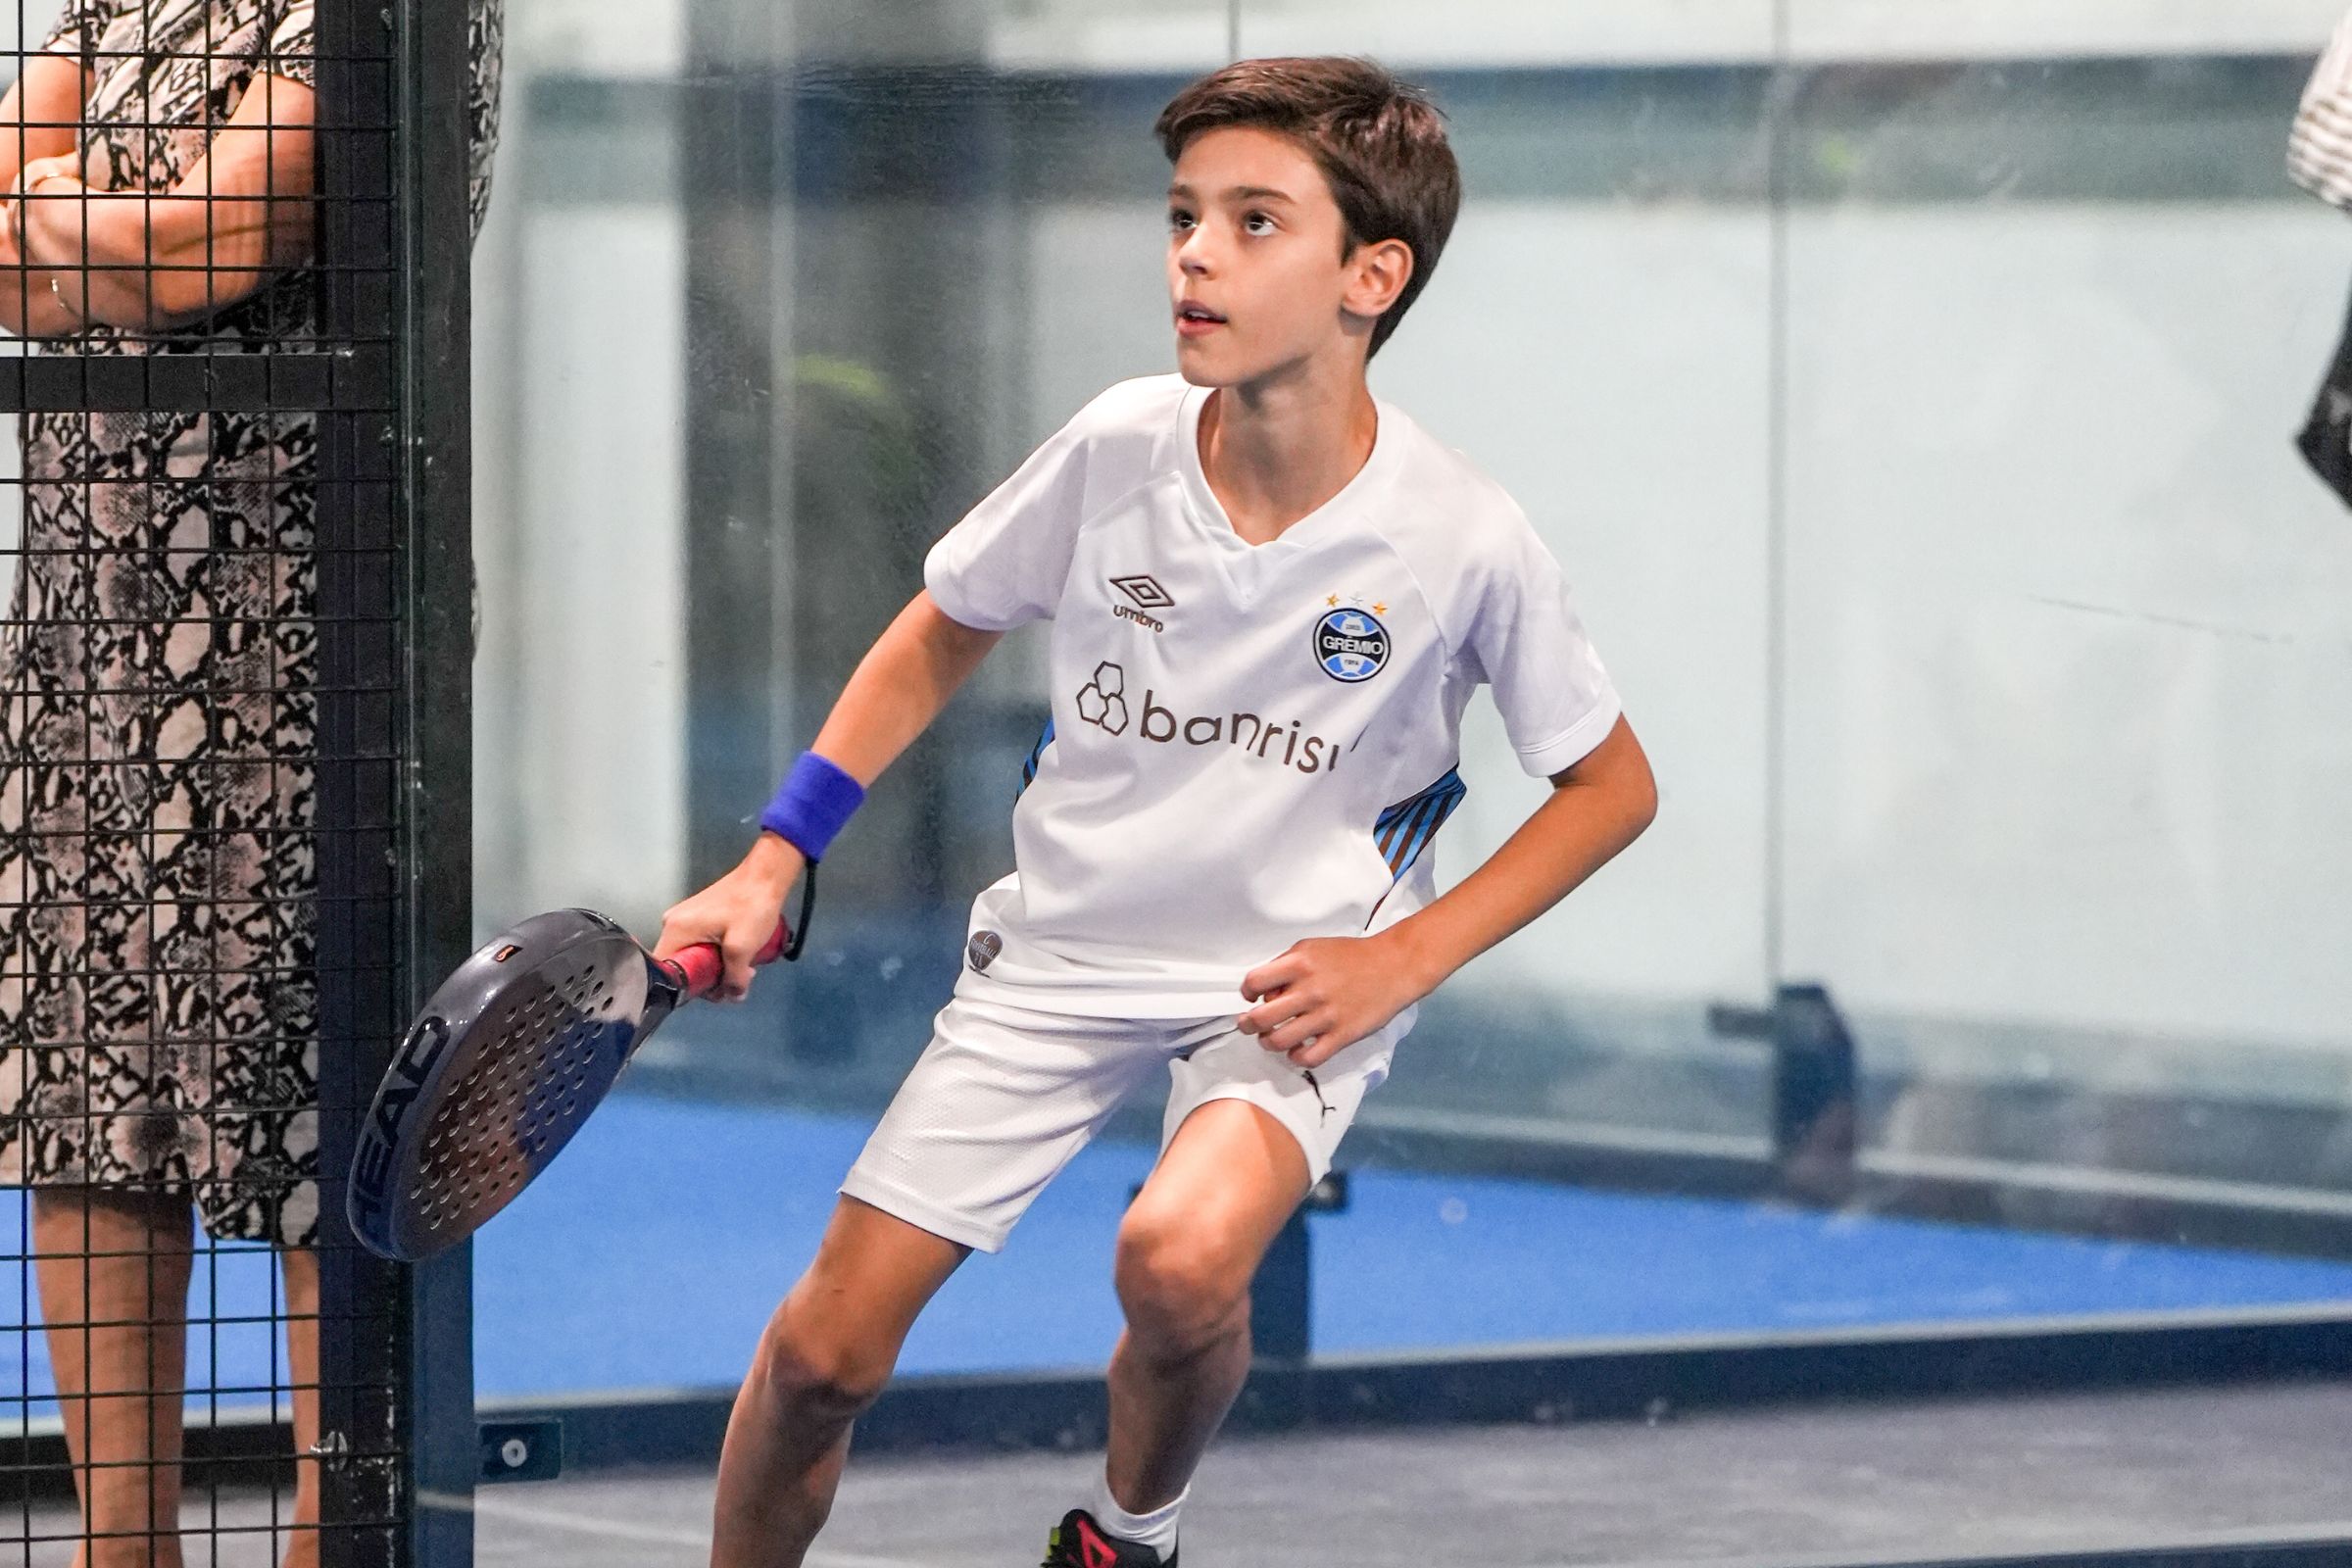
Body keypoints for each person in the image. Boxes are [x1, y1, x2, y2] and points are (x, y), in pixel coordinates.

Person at [658, 55, 1657, 1568]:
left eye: (1257, 222)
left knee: (1179, 1262)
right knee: (819, 1364)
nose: (1194, 252)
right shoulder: (1118, 443)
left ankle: (1130, 1535)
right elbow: (942, 624)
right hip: (1058, 956)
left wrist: (1402, 960)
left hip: (1289, 987)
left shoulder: (1463, 538)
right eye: (1185, 214)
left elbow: (1612, 786)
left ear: (1368, 277)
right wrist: (775, 852)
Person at [0, 1, 500, 1562]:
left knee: (318, 1100)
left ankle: (324, 1540)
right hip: (87, 631)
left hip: (312, 627)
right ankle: (115, 1549)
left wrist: (66, 214)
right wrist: (110, 235)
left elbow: (205, 250)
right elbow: (65, 256)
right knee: (84, 1099)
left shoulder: (393, 18)